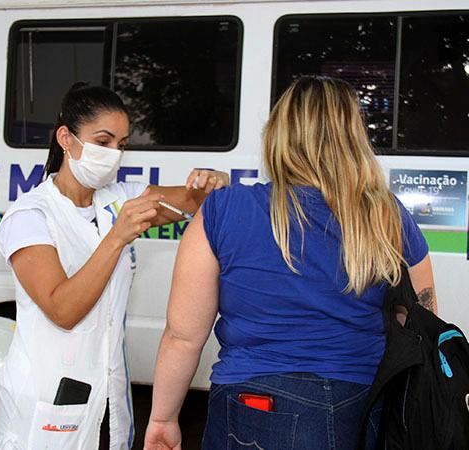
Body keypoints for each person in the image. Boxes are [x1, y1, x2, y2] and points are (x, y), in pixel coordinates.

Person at [144, 76, 437, 450]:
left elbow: (182, 337)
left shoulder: (224, 209)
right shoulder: (387, 215)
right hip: (361, 403)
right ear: (353, 136)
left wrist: (163, 418)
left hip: (254, 401)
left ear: (278, 134)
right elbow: (418, 324)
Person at [0, 83, 228, 450]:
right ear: (66, 138)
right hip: (43, 399)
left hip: (107, 397)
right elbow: (62, 309)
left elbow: (194, 200)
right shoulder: (30, 216)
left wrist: (212, 181)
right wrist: (115, 238)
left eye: (122, 145)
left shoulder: (120, 198)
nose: (114, 154)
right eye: (103, 141)